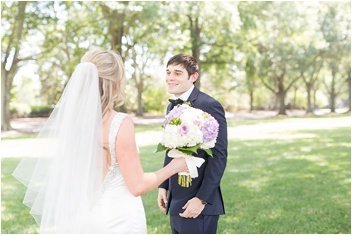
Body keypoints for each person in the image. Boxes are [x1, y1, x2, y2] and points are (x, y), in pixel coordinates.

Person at [12, 49, 188, 234]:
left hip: (85, 216)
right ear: (114, 82)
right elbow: (137, 185)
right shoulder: (120, 122)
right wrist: (175, 166)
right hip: (118, 218)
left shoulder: (73, 122)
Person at [157, 54, 228, 234]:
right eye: (168, 72)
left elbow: (219, 156)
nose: (170, 77)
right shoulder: (171, 107)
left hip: (198, 203)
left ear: (193, 77)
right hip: (175, 198)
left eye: (178, 73)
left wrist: (202, 199)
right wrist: (164, 186)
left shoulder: (210, 105)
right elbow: (170, 148)